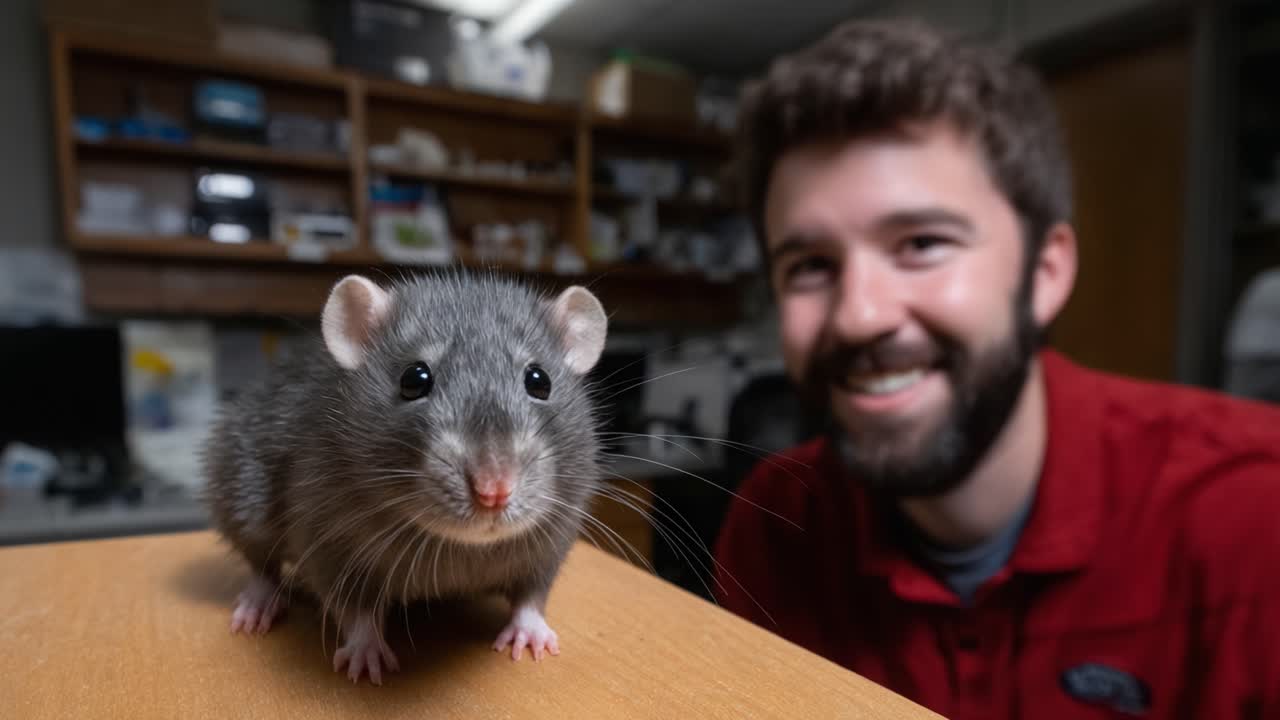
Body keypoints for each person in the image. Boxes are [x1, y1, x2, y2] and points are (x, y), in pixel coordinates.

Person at [712, 17, 1280, 720]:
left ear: (1046, 272)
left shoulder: (1255, 520)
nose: (857, 315)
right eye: (810, 266)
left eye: (921, 243)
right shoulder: (775, 526)